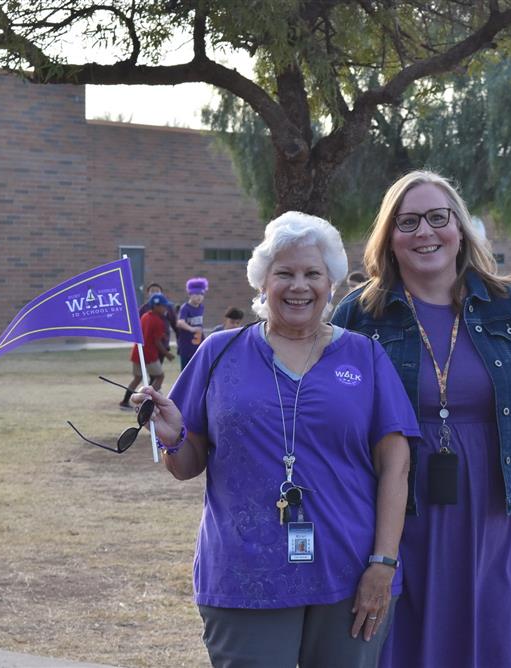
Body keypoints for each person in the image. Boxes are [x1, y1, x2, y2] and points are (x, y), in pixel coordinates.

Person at [332, 170, 511, 668]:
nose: (425, 232)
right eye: (408, 222)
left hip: (497, 508)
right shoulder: (360, 313)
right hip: (400, 508)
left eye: (439, 217)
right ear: (389, 239)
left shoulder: (507, 304)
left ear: (460, 229)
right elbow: (325, 407)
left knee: (496, 634)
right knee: (404, 637)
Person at [132, 211, 420, 667]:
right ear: (262, 283)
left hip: (348, 575)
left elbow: (396, 468)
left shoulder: (365, 356)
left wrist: (383, 564)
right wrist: (172, 438)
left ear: (332, 285)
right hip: (243, 576)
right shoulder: (218, 353)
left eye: (312, 274)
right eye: (284, 273)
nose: (298, 286)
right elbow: (186, 465)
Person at [120, 293, 174, 408]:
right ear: (156, 306)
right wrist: (167, 354)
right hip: (149, 355)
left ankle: (125, 401)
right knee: (160, 376)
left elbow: (148, 334)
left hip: (137, 352)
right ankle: (148, 399)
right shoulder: (158, 321)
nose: (165, 308)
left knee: (138, 378)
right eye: (163, 306)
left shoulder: (145, 316)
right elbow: (157, 342)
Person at [139, 282, 178, 364]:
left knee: (158, 365)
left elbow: (174, 324)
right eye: (152, 291)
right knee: (152, 369)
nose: (155, 293)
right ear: (148, 294)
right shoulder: (144, 308)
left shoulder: (168, 307)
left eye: (157, 291)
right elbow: (139, 326)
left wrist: (179, 337)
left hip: (163, 341)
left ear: (161, 293)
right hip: (148, 343)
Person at [176, 277, 208, 369]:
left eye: (201, 294)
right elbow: (180, 322)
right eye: (196, 294)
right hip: (187, 345)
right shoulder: (185, 308)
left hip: (197, 344)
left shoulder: (201, 307)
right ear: (190, 294)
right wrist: (192, 329)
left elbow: (200, 325)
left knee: (197, 368)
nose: (199, 297)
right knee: (186, 369)